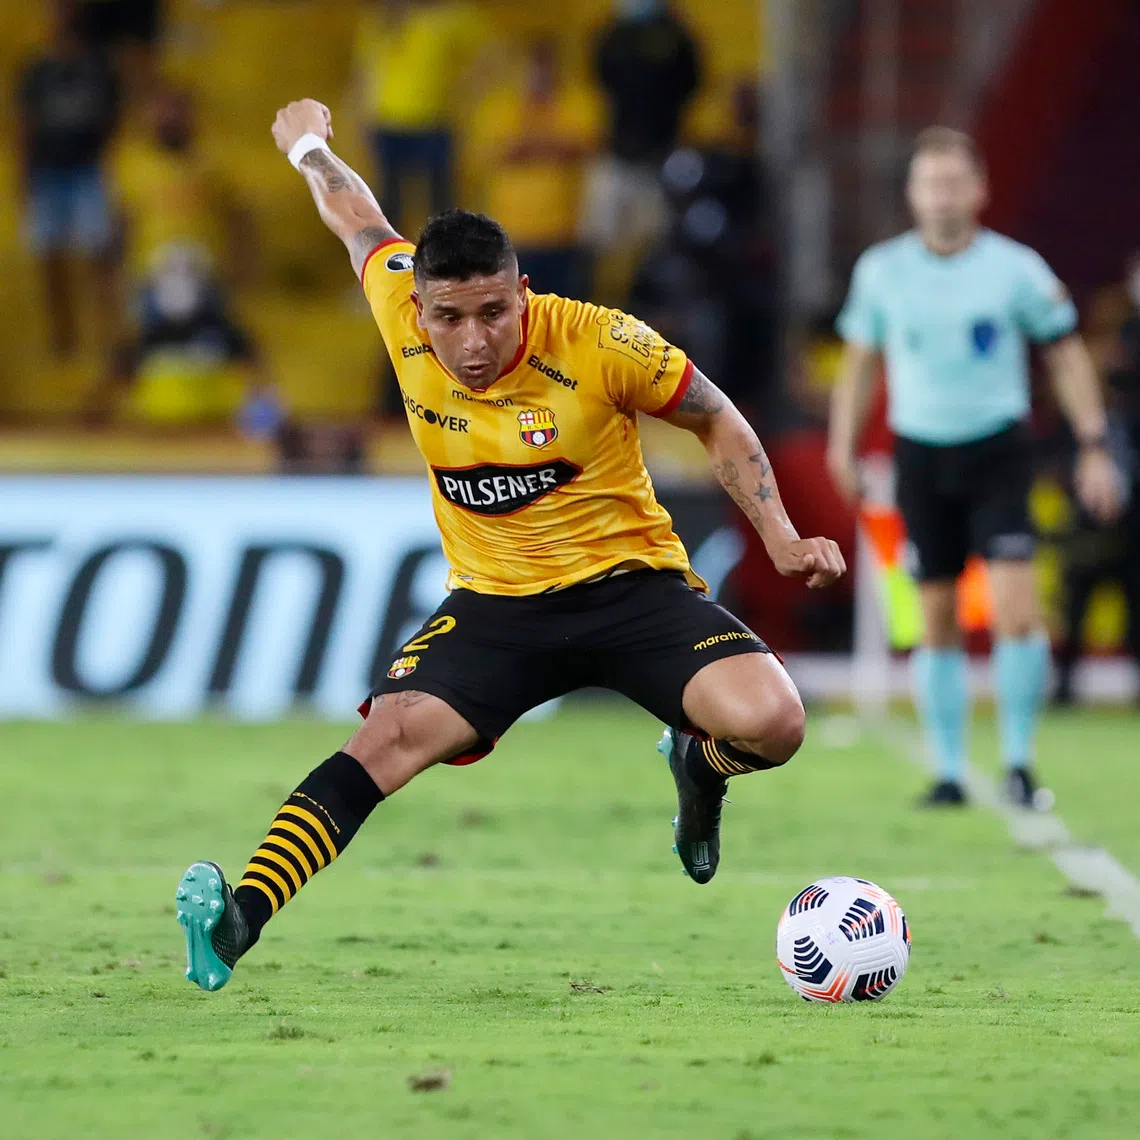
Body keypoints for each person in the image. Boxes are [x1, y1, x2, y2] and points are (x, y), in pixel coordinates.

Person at [173, 97, 847, 992]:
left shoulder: (602, 342)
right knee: (387, 738)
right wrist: (304, 145)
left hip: (630, 587)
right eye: (449, 318)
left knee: (776, 724)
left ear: (522, 293)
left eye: (495, 312)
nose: (474, 340)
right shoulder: (397, 303)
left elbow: (717, 420)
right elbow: (355, 216)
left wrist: (783, 536)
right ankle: (238, 922)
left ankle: (697, 761)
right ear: (417, 304)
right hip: (496, 606)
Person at [829, 126, 1121, 809]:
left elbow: (1066, 351)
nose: (942, 196)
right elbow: (859, 363)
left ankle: (1019, 762)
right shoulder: (882, 271)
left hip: (998, 449)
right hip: (920, 452)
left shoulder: (1016, 268)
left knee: (1017, 608)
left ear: (980, 190)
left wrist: (1093, 442)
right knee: (935, 614)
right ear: (912, 194)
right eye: (930, 183)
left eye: (954, 182)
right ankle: (950, 770)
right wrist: (843, 444)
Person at [1055, 255, 1140, 704]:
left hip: (1133, 508)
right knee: (1078, 595)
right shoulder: (1081, 380)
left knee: (1132, 597)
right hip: (1087, 511)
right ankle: (1064, 687)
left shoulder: (1126, 374)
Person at [17, 0, 120, 357]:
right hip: (47, 172)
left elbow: (113, 120)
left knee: (99, 255)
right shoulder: (38, 69)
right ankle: (64, 338)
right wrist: (24, 179)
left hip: (88, 170)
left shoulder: (99, 66)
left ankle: (107, 336)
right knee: (50, 258)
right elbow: (25, 127)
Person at [475, 37, 598, 299]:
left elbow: (580, 147)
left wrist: (529, 145)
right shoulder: (501, 105)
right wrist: (552, 143)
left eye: (546, 67)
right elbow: (504, 152)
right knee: (521, 319)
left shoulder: (576, 100)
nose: (541, 75)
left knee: (567, 317)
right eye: (535, 67)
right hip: (515, 232)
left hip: (565, 230)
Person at [579, 0, 700, 266]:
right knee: (601, 242)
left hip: (660, 155)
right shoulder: (613, 36)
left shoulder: (676, 37)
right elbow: (599, 80)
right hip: (616, 153)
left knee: (654, 243)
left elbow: (691, 84)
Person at [353, 0, 484, 234]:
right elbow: (366, 76)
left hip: (432, 121)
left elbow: (486, 54)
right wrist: (363, 119)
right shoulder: (375, 26)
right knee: (387, 202)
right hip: (387, 125)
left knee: (440, 202)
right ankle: (386, 258)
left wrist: (464, 91)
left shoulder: (444, 20)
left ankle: (445, 256)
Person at [112, 83, 256, 290]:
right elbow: (121, 223)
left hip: (207, 270)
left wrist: (241, 268)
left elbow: (238, 218)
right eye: (161, 110)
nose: (170, 117)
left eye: (176, 109)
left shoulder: (214, 161)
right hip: (150, 272)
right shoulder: (131, 165)